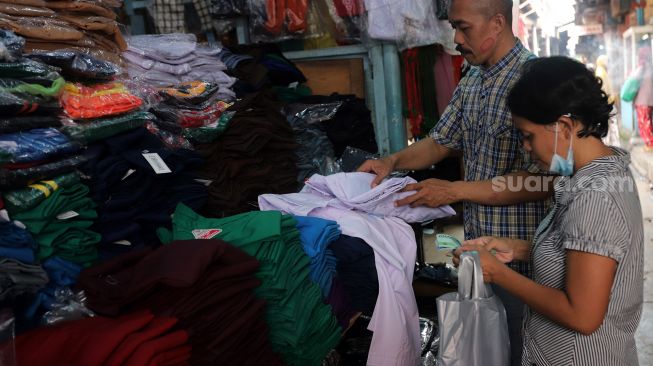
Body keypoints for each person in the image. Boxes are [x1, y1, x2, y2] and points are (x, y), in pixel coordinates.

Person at [357, 1, 550, 363]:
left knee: (523, 350)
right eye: (453, 28)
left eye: (464, 28)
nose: (456, 38)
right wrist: (391, 161)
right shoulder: (473, 78)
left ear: (497, 22)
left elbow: (539, 181)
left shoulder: (534, 81)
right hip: (480, 257)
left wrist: (453, 190)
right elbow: (441, 141)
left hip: (522, 264)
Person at [455, 56, 644, 366]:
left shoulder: (596, 197)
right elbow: (583, 259)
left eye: (528, 136)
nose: (526, 148)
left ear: (565, 126)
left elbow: (582, 315)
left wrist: (498, 273)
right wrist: (517, 250)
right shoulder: (598, 173)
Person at [634, 46, 653, 149]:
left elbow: (634, 78)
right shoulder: (650, 65)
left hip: (643, 100)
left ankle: (650, 144)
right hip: (650, 100)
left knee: (644, 121)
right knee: (649, 121)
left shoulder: (643, 66)